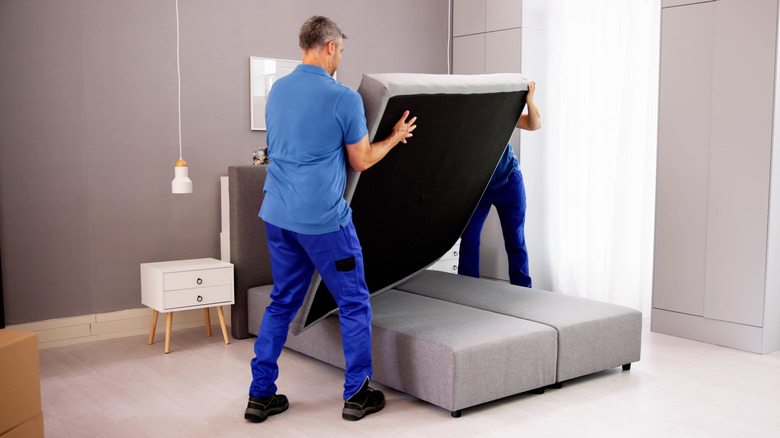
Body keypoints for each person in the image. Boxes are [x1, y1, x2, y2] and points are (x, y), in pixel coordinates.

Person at [245, 16, 417, 423]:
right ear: (327, 46)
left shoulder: (277, 90)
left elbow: (274, 149)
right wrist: (394, 137)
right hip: (323, 222)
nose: (340, 56)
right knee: (354, 302)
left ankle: (260, 395)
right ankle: (357, 394)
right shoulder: (343, 98)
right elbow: (361, 160)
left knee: (282, 301)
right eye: (340, 49)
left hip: (278, 215)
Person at [458, 80, 541, 287]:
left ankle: (523, 290)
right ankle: (467, 291)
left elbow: (534, 124)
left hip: (509, 183)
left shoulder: (502, 116)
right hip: (480, 187)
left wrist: (530, 102)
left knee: (515, 240)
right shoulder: (465, 123)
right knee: (469, 239)